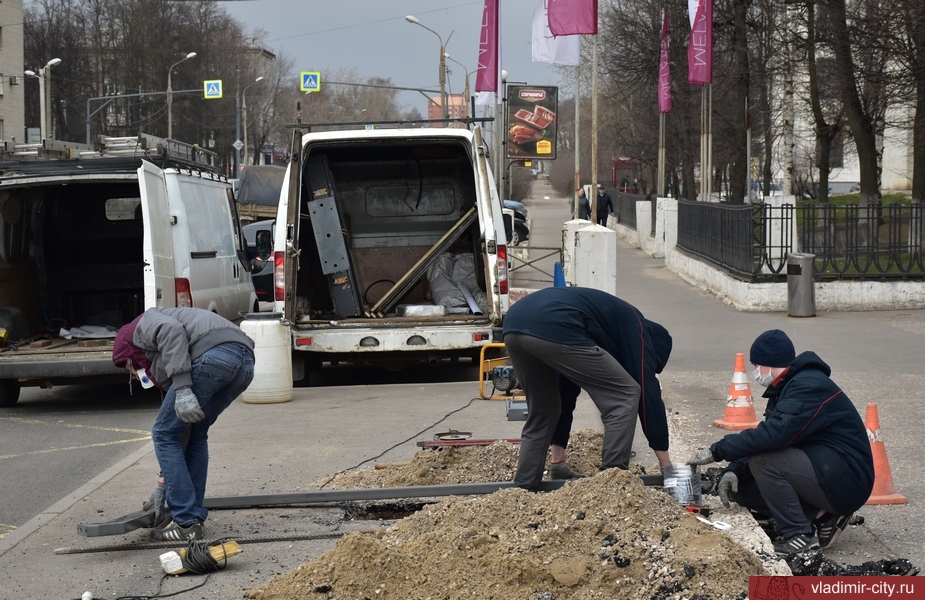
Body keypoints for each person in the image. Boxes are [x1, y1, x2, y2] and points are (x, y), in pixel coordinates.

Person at [686, 330, 874, 555]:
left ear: (768, 363)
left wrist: (718, 450)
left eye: (756, 365)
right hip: (825, 469)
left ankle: (799, 536)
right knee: (741, 489)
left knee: (764, 462)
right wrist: (734, 469)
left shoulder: (808, 386)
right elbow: (769, 438)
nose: (755, 372)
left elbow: (773, 437)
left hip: (848, 479)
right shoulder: (788, 387)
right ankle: (823, 515)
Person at [502, 287, 673, 490]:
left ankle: (524, 486)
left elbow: (565, 387)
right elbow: (647, 392)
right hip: (553, 324)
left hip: (514, 324)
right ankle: (612, 480)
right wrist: (666, 464)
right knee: (625, 394)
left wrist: (558, 459)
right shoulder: (637, 328)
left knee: (544, 409)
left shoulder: (608, 323)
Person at [112, 307, 255, 542]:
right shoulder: (168, 342)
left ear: (127, 355)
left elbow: (171, 331)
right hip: (244, 362)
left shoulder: (139, 327)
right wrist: (163, 482)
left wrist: (183, 386)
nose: (136, 377)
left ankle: (186, 520)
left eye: (129, 370)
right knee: (196, 431)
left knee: (162, 433)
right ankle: (192, 518)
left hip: (213, 355)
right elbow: (181, 433)